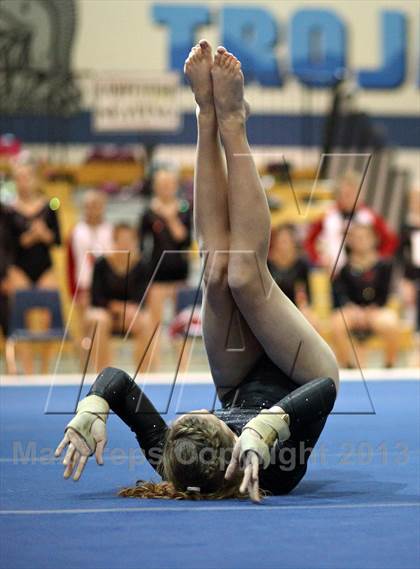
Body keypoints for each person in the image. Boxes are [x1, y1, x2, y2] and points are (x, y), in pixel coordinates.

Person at [55, 42, 339, 502]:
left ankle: (206, 116)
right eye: (200, 417)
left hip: (240, 376)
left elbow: (118, 382)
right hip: (305, 374)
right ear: (224, 443)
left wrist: (93, 405)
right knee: (245, 276)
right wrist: (270, 427)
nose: (187, 414)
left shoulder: (174, 452)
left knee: (216, 270)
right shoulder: (274, 471)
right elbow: (325, 390)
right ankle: (235, 124)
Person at [7, 151, 61, 373]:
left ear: (34, 178)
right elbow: (6, 243)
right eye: (19, 177)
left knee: (50, 315)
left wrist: (44, 234)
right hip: (19, 268)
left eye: (28, 176)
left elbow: (57, 239)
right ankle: (28, 369)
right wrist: (28, 238)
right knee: (23, 317)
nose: (24, 182)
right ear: (15, 180)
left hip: (44, 268)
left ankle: (45, 368)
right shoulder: (8, 209)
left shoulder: (49, 207)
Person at [138, 166, 192, 368]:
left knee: (180, 325)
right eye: (161, 184)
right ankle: (154, 366)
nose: (166, 188)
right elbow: (142, 245)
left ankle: (183, 366)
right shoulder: (148, 212)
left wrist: (169, 217)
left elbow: (183, 239)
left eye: (169, 184)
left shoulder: (185, 209)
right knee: (155, 324)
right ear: (155, 187)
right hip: (156, 275)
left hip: (179, 274)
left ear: (175, 186)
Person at [84, 223, 152, 372]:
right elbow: (96, 298)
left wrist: (131, 311)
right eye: (122, 239)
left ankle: (144, 374)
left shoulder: (141, 265)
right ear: (114, 240)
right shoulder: (102, 263)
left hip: (129, 316)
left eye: (130, 240)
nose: (126, 243)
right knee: (100, 320)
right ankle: (102, 373)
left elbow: (142, 298)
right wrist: (121, 308)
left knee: (146, 320)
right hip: (105, 312)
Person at [331, 222, 399, 368]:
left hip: (376, 311)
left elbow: (385, 293)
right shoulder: (345, 268)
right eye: (356, 238)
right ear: (351, 242)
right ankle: (348, 365)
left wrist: (372, 309)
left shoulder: (384, 265)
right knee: (337, 323)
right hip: (353, 311)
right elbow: (340, 293)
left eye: (364, 237)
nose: (361, 241)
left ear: (374, 239)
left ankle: (389, 365)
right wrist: (351, 307)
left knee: (392, 323)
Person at [304, 169, 398, 275]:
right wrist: (319, 260)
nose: (348, 198)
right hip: (333, 273)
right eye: (345, 194)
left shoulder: (370, 216)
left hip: (364, 273)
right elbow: (309, 241)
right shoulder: (327, 216)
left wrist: (376, 260)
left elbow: (390, 240)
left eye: (352, 193)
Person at [268, 224, 317, 326]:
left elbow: (303, 293)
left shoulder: (301, 264)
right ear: (274, 243)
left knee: (311, 320)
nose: (283, 245)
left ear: (293, 243)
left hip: (297, 307)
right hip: (273, 308)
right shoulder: (268, 264)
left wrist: (304, 308)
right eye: (280, 241)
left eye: (286, 241)